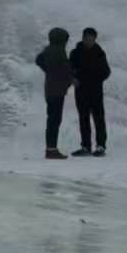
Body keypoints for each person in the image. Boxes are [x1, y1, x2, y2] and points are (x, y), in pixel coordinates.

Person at [68, 26, 110, 156]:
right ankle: (85, 146)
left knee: (99, 118)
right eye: (87, 39)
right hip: (81, 90)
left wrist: (96, 79)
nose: (89, 41)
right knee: (83, 118)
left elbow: (106, 72)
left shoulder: (99, 53)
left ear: (95, 39)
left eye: (92, 39)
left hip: (96, 90)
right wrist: (72, 79)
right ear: (83, 38)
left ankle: (101, 146)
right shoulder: (75, 53)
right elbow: (69, 70)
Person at [35, 27, 74, 159]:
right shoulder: (59, 51)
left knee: (51, 118)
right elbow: (65, 70)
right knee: (55, 119)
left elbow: (38, 60)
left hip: (50, 88)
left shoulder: (48, 50)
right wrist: (70, 81)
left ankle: (50, 148)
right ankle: (51, 149)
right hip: (57, 89)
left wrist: (48, 70)